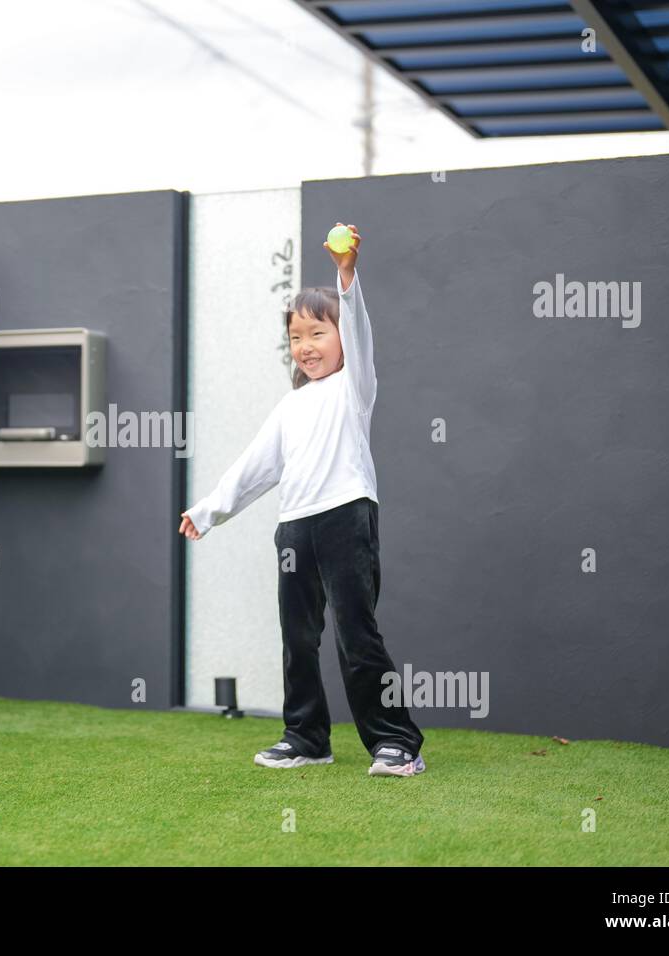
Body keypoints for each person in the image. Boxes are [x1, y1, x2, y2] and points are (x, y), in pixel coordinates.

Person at [179, 222, 425, 778]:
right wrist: (208, 511)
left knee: (355, 636)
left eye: (318, 333)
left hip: (347, 518)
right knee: (298, 637)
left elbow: (358, 326)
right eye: (296, 337)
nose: (306, 347)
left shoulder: (354, 387)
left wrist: (346, 275)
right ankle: (307, 737)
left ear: (341, 339)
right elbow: (256, 465)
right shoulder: (292, 406)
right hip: (295, 529)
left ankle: (397, 744)